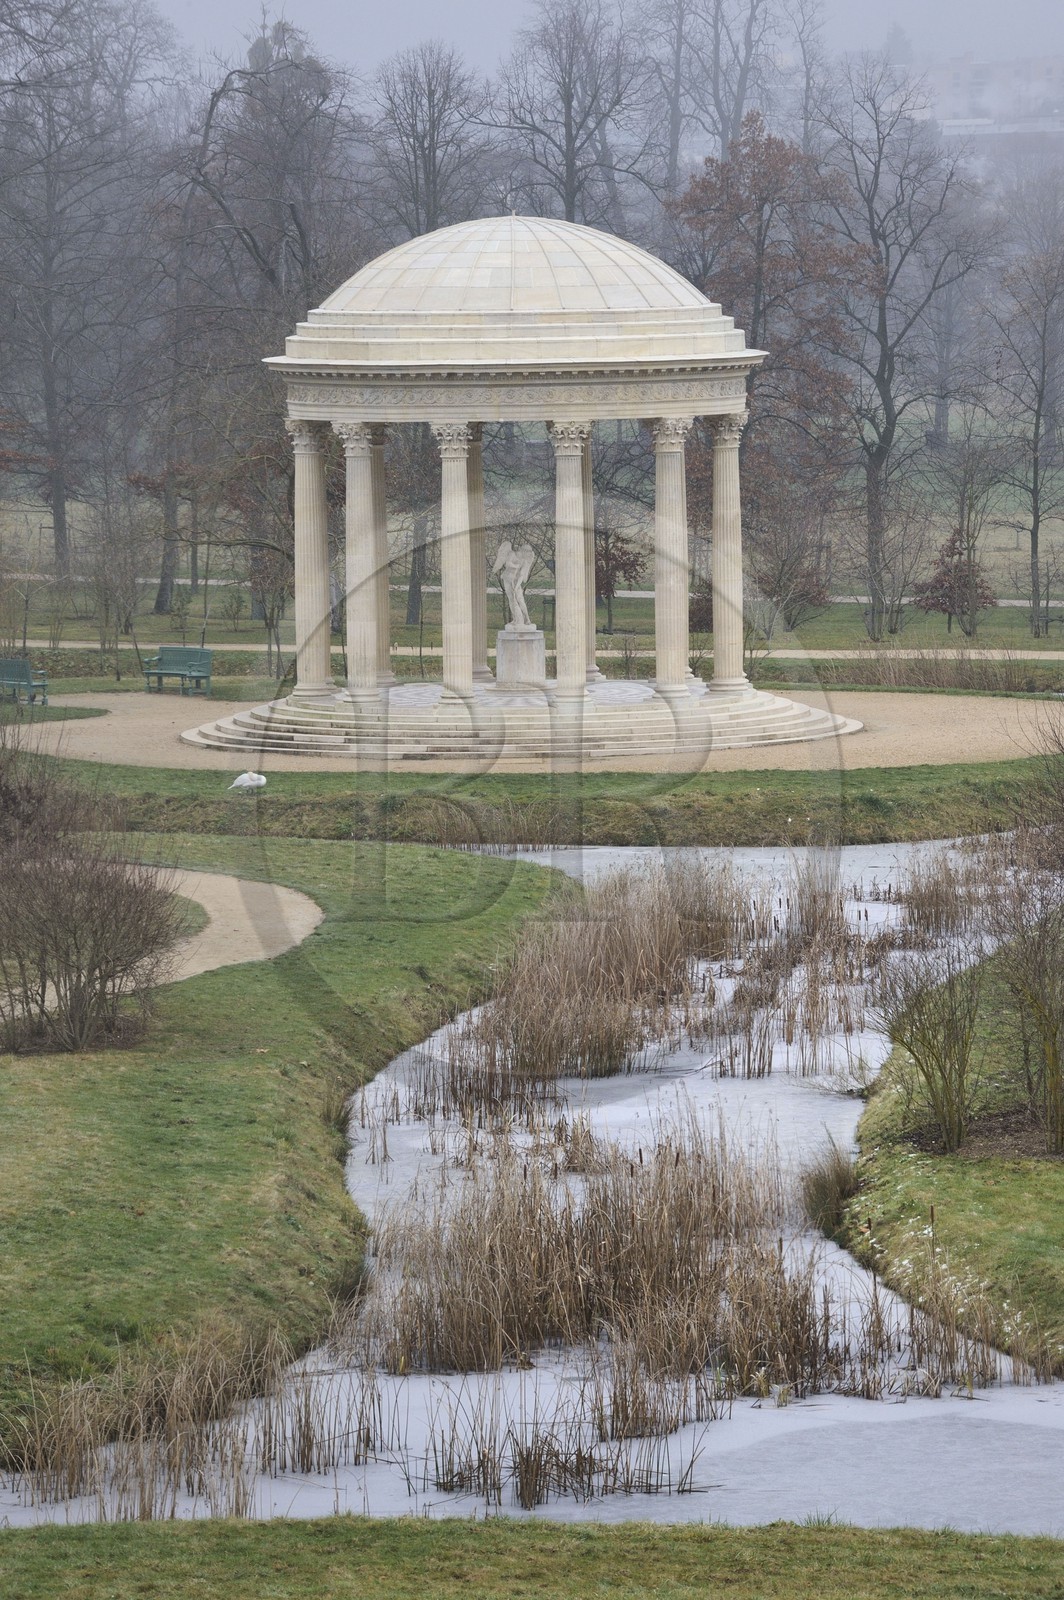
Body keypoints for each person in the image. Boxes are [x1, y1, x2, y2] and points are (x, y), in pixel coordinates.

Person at [491, 539, 536, 628]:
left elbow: (522, 576)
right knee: (512, 599)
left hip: (515, 581)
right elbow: (508, 563)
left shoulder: (524, 561)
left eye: (529, 554)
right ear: (522, 551)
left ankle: (527, 619)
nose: (527, 556)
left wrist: (517, 586)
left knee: (520, 599)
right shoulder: (512, 554)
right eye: (527, 553)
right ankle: (515, 619)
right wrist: (516, 566)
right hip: (507, 579)